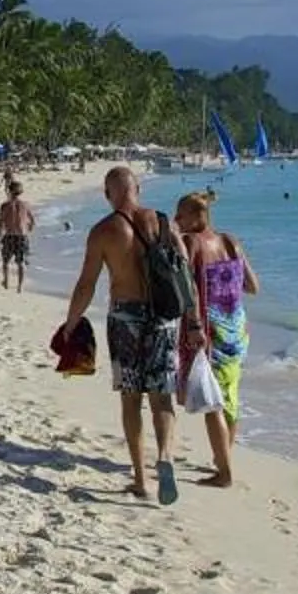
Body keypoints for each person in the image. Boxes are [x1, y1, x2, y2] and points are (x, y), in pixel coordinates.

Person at [61, 163, 190, 504]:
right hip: (164, 319)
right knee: (161, 397)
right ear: (139, 189)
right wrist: (192, 323)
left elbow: (86, 284)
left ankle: (140, 478)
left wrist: (71, 322)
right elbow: (184, 278)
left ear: (108, 195)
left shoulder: (103, 230)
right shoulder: (165, 223)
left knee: (131, 399)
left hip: (125, 319)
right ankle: (165, 456)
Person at [173, 189, 260, 487]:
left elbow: (191, 290)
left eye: (180, 215)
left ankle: (224, 473)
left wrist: (195, 325)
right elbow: (252, 286)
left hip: (209, 332)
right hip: (237, 329)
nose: (175, 220)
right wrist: (226, 286)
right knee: (230, 397)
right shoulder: (231, 241)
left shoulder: (191, 243)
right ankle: (223, 458)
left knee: (213, 403)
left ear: (197, 216)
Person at [0, 176, 36, 289]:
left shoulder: (5, 205)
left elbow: (0, 223)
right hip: (22, 236)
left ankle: (6, 281)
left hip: (9, 235)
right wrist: (28, 230)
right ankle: (20, 285)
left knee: (5, 261)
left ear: (9, 191)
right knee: (21, 263)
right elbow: (32, 221)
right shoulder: (26, 205)